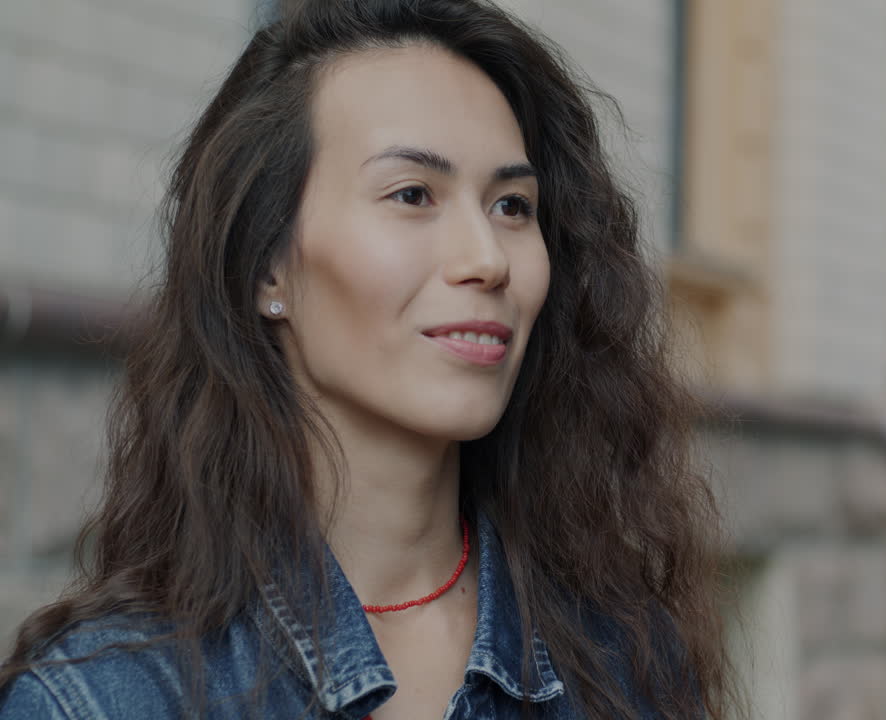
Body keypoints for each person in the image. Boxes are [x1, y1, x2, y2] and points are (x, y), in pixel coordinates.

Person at [0, 1, 736, 718]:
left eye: (512, 206)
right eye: (413, 194)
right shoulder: (105, 698)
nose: (487, 259)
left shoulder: (626, 660)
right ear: (267, 268)